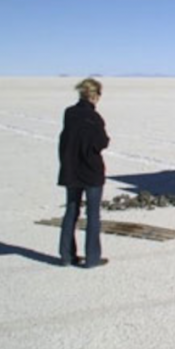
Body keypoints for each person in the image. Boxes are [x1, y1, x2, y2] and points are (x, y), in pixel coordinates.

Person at [57, 77, 110, 268]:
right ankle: (92, 258)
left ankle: (66, 256)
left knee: (71, 211)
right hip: (91, 172)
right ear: (94, 95)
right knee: (93, 215)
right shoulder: (94, 118)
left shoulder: (69, 113)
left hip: (71, 170)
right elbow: (101, 142)